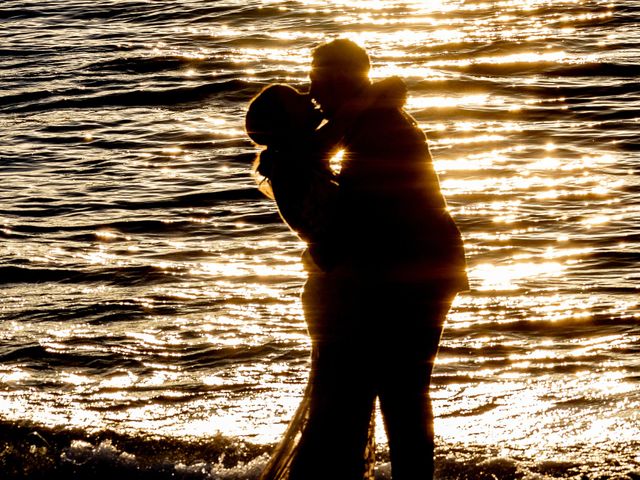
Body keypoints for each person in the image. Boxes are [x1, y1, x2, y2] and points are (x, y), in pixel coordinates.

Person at [286, 39, 469, 480]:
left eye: (317, 79)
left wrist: (326, 257)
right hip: (414, 268)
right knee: (401, 389)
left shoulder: (379, 126)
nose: (311, 92)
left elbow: (362, 209)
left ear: (341, 80)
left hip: (414, 273)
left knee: (402, 391)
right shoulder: (368, 120)